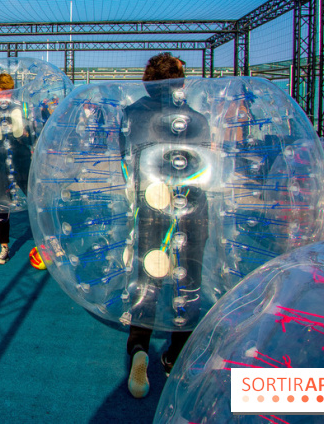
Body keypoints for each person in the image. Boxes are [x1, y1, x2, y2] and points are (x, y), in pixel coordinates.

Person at [120, 53, 210, 398]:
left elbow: (125, 160)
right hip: (193, 206)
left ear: (148, 81)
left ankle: (139, 346)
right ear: (181, 83)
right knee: (188, 280)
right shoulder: (198, 118)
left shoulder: (133, 113)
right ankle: (174, 355)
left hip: (150, 204)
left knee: (147, 278)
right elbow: (206, 165)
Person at [0, 72, 33, 264]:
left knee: (36, 200)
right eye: (2, 93)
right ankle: (4, 247)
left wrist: (25, 133)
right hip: (0, 162)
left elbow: (32, 139)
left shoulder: (22, 108)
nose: (5, 97)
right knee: (2, 204)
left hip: (21, 160)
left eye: (9, 94)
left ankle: (49, 241)